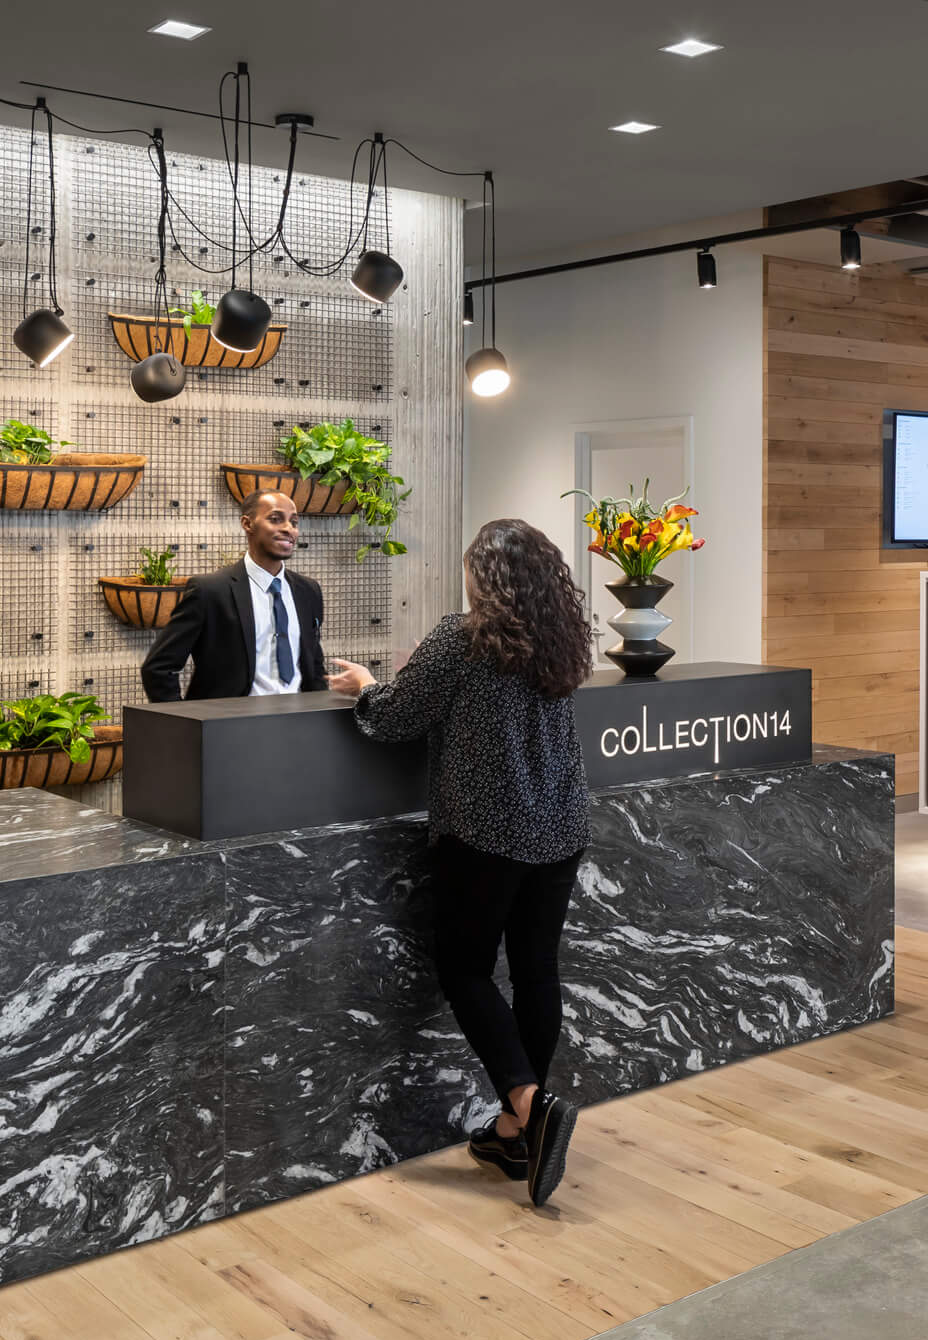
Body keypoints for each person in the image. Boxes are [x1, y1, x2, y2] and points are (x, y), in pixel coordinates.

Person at [327, 519, 595, 1207]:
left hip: (486, 834)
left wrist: (364, 683)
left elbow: (392, 718)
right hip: (561, 827)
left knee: (465, 971)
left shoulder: (462, 636)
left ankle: (531, 1106)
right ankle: (514, 1133)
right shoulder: (560, 640)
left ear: (485, 576)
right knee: (536, 972)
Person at [140, 490, 326, 701]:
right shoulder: (209, 591)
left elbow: (314, 665)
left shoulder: (308, 591)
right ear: (248, 524)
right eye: (275, 519)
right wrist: (183, 726)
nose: (288, 529)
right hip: (230, 727)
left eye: (294, 522)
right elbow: (158, 668)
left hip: (299, 723)